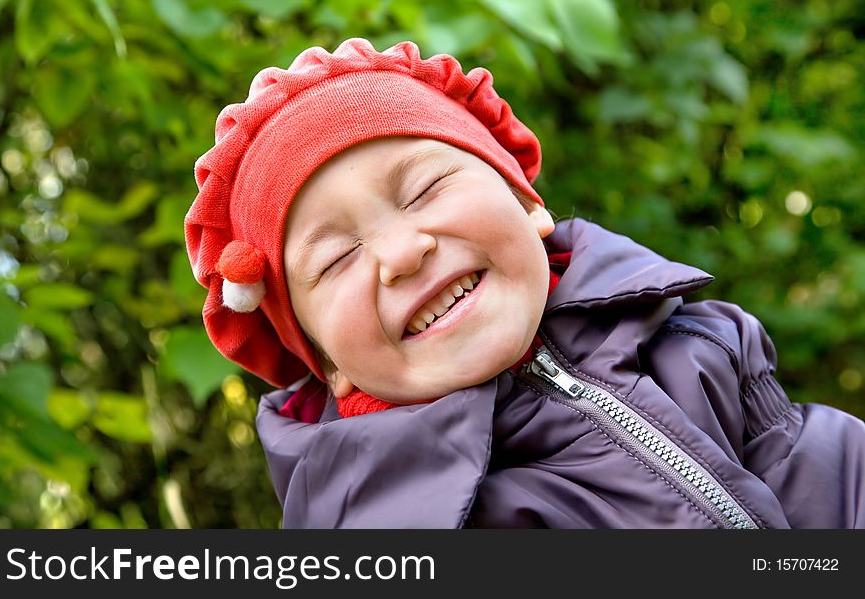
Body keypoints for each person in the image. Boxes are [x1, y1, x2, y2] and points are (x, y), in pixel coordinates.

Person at [184, 38, 865, 528]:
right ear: (327, 361)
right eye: (334, 259)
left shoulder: (696, 343)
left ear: (526, 202)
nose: (402, 252)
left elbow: (830, 485)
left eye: (424, 189)